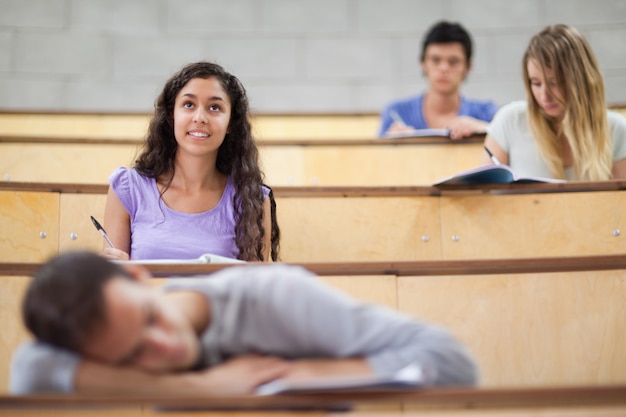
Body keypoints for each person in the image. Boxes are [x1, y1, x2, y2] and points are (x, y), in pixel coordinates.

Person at [10, 251, 478, 395]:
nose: (164, 347)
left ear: (137, 274)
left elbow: (451, 361)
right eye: (133, 356)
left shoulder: (273, 297)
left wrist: (296, 377)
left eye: (150, 318)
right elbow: (29, 368)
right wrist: (203, 390)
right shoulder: (85, 340)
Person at [102, 62, 279, 262]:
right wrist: (112, 270)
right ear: (171, 116)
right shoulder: (128, 188)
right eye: (188, 105)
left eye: (215, 107)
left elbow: (254, 288)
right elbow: (114, 285)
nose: (200, 117)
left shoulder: (251, 199)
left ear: (231, 123)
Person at [483, 24, 626, 181]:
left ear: (580, 81)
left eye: (555, 83)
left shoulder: (616, 128)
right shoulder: (510, 120)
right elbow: (484, 195)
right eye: (536, 83)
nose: (544, 96)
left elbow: (620, 201)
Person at [379, 21, 498, 139]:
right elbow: (375, 157)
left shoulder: (486, 113)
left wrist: (486, 130)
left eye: (453, 62)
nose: (444, 68)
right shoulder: (396, 113)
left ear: (468, 67)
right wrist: (392, 146)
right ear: (422, 63)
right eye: (435, 60)